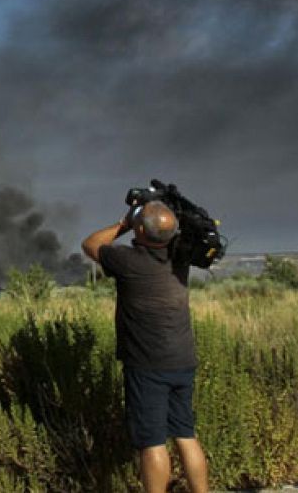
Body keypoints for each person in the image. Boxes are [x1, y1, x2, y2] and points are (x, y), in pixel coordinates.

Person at [82, 200, 210, 493]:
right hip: (182, 360)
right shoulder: (179, 258)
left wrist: (124, 224)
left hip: (147, 365)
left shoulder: (128, 261)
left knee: (152, 442)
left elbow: (90, 244)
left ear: (140, 229)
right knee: (185, 435)